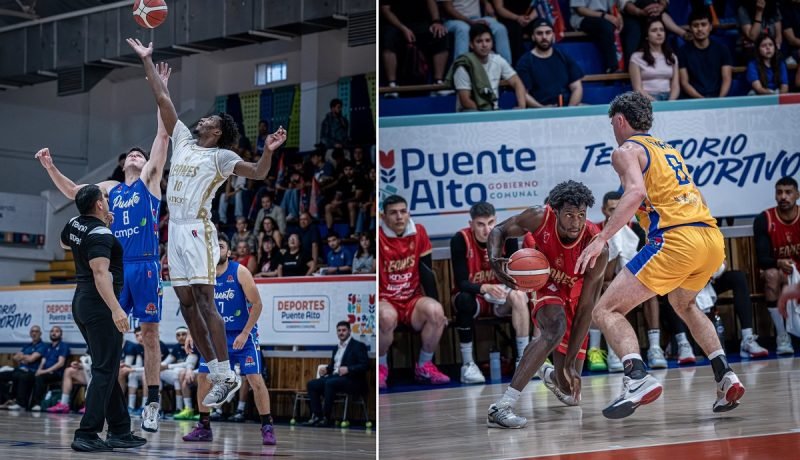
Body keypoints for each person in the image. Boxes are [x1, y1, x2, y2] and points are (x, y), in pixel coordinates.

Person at [126, 37, 287, 411]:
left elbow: (259, 173)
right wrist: (147, 61)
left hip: (198, 230)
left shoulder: (222, 156)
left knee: (205, 300)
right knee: (184, 306)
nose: (203, 119)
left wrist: (267, 151)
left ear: (217, 132)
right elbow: (162, 100)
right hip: (175, 231)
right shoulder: (182, 138)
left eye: (210, 120)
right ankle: (218, 373)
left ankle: (228, 370)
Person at [576, 91, 744, 420]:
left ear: (620, 121)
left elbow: (635, 192)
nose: (613, 130)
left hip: (675, 239)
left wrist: (601, 239)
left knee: (605, 310)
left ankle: (637, 377)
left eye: (613, 124)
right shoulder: (668, 150)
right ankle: (725, 375)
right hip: (709, 238)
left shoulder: (626, 150)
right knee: (684, 303)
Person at [36, 62, 171, 432]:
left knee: (149, 335)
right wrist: (50, 167)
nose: (135, 154)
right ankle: (107, 407)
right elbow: (72, 192)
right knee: (110, 338)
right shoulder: (108, 191)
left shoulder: (149, 182)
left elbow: (163, 136)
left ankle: (153, 402)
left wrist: (160, 90)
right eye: (130, 153)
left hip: (142, 265)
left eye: (139, 154)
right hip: (111, 269)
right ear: (121, 163)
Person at [485, 181, 608, 428]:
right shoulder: (538, 216)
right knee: (554, 329)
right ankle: (502, 406)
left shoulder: (598, 247)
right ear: (555, 211)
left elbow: (586, 309)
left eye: (581, 215)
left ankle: (547, 372)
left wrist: (571, 364)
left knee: (570, 393)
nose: (576, 222)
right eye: (570, 215)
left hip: (575, 297)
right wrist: (495, 260)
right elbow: (498, 231)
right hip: (545, 283)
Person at [60, 185, 146, 452]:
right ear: (98, 204)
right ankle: (86, 433)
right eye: (105, 199)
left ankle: (119, 429)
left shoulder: (75, 222)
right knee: (105, 369)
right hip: (99, 306)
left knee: (105, 367)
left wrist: (100, 225)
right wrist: (116, 309)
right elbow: (100, 274)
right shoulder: (100, 234)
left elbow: (65, 242)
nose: (109, 201)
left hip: (81, 303)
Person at [182, 234, 276, 445]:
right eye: (213, 246)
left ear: (229, 251)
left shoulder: (240, 272)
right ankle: (204, 426)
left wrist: (245, 333)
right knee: (203, 378)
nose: (217, 249)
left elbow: (257, 305)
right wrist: (191, 333)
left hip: (242, 335)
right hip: (216, 338)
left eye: (221, 246)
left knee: (254, 379)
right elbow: (195, 308)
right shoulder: (204, 275)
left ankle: (267, 426)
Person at [450, 201, 529, 384]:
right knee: (463, 300)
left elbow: (515, 274)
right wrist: (483, 288)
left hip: (501, 298)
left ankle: (524, 361)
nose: (487, 229)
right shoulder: (460, 239)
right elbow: (461, 282)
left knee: (519, 295)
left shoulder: (507, 237)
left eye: (491, 222)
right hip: (475, 297)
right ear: (471, 224)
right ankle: (468, 364)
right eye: (481, 224)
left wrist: (508, 287)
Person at [379, 195, 450, 388]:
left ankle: (424, 366)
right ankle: (381, 368)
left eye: (403, 211)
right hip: (385, 299)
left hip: (412, 299)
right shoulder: (377, 236)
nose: (399, 217)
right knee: (385, 316)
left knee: (436, 312)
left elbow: (426, 272)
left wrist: (438, 305)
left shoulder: (418, 231)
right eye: (393, 213)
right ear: (383, 217)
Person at [753, 176, 800, 355]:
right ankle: (782, 336)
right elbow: (762, 258)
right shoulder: (765, 219)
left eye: (788, 192)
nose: (783, 197)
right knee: (771, 275)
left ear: (797, 195)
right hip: (779, 271)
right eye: (779, 192)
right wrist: (779, 263)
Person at [447, 22, 526, 111]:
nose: (484, 45)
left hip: (493, 111)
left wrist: (521, 107)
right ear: (471, 44)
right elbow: (465, 101)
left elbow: (517, 82)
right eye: (479, 41)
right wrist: (486, 116)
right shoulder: (464, 65)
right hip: (470, 113)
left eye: (488, 40)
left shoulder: (498, 60)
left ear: (492, 43)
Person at [303, 321, 370, 427]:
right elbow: (334, 366)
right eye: (339, 330)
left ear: (349, 331)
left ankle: (326, 418)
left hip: (352, 380)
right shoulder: (336, 347)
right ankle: (317, 415)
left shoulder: (358, 346)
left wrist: (349, 369)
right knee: (312, 384)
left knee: (330, 383)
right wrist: (327, 370)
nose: (341, 333)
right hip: (336, 377)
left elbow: (365, 365)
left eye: (344, 330)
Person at [380, 0, 449, 95]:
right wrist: (403, 28)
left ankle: (438, 83)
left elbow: (431, 1)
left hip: (420, 23)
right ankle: (392, 85)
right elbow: (385, 10)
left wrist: (436, 21)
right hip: (396, 24)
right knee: (388, 37)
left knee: (440, 34)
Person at [516, 18, 584, 108]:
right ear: (533, 37)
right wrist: (543, 109)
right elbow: (523, 94)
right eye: (539, 33)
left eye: (548, 33)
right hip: (539, 111)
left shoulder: (563, 56)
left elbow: (577, 87)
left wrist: (569, 110)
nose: (544, 37)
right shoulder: (525, 61)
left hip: (566, 107)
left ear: (553, 35)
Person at [678, 8, 733, 98]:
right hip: (693, 100)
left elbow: (727, 78)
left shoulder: (722, 49)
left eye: (703, 25)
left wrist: (720, 99)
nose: (700, 29)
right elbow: (684, 83)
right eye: (695, 25)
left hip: (718, 98)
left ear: (710, 27)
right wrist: (702, 100)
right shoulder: (683, 52)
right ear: (690, 28)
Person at [439, 0, 513, 63]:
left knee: (500, 28)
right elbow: (448, 8)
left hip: (476, 18)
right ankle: (460, 68)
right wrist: (470, 22)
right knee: (464, 29)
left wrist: (486, 3)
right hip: (453, 21)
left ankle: (506, 69)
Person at [629, 17, 680, 101]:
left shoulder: (672, 57)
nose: (659, 33)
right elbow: (637, 88)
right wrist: (656, 103)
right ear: (646, 36)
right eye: (654, 30)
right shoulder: (636, 57)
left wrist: (670, 102)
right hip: (646, 99)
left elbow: (675, 86)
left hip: (669, 98)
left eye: (662, 30)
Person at [0, 325, 47, 410]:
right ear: (30, 333)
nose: (34, 333)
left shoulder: (43, 346)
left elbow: (31, 359)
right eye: (32, 331)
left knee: (22, 376)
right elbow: (15, 357)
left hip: (31, 371)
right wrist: (26, 357)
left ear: (40, 334)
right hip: (19, 369)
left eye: (36, 331)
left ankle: (20, 404)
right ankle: (7, 400)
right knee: (2, 375)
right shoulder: (27, 346)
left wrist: (22, 357)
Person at [570, 0, 623, 74]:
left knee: (628, 26)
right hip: (583, 18)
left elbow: (612, 8)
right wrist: (604, 16)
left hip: (604, 17)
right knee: (605, 26)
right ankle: (612, 67)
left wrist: (618, 18)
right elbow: (580, 10)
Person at [160, 326, 199, 419]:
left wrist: (168, 366)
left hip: (195, 373)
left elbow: (189, 364)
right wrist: (159, 366)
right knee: (158, 374)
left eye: (183, 334)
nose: (181, 337)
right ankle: (158, 409)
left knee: (179, 373)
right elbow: (167, 361)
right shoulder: (176, 347)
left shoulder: (194, 345)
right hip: (183, 374)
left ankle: (181, 408)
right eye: (178, 335)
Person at [30, 326, 71, 411]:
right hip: (45, 372)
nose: (54, 333)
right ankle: (23, 403)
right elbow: (43, 361)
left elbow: (60, 363)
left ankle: (38, 404)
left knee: (39, 378)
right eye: (52, 331)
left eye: (57, 331)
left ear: (61, 334)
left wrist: (43, 372)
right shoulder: (48, 347)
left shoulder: (63, 346)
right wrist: (39, 370)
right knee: (30, 376)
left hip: (56, 374)